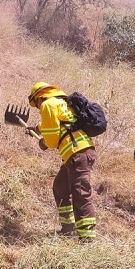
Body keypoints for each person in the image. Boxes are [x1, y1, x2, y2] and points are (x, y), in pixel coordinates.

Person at [28, 81, 98, 241]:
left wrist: (43, 142)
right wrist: (37, 129)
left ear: (38, 98)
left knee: (81, 194)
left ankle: (87, 239)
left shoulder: (47, 104)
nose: (38, 108)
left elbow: (51, 140)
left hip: (77, 154)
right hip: (78, 154)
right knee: (60, 187)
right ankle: (68, 228)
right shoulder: (61, 102)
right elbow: (61, 124)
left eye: (36, 104)